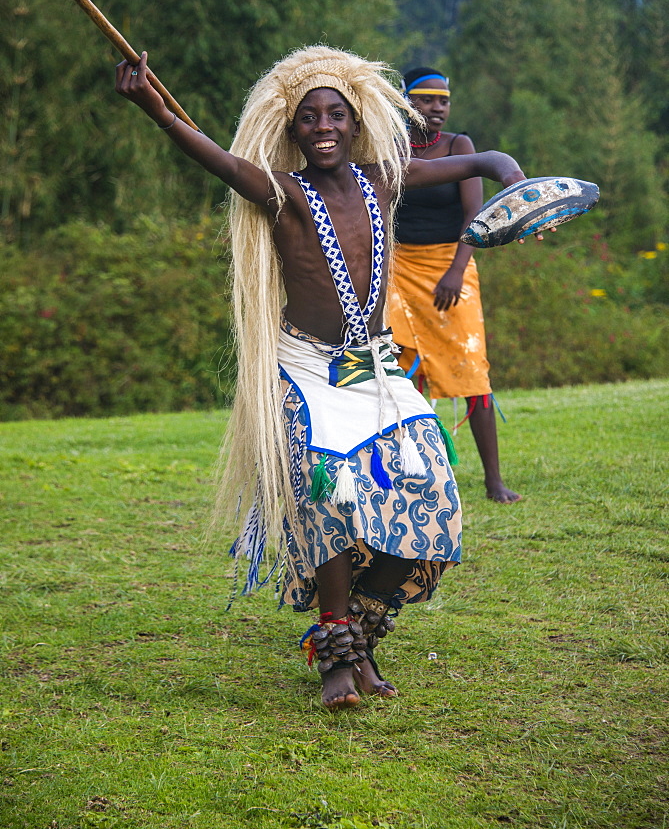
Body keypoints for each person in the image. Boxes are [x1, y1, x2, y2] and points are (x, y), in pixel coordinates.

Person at [115, 46, 526, 710]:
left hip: (376, 364)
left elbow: (472, 162)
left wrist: (502, 167)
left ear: (356, 121)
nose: (325, 125)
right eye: (310, 118)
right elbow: (217, 160)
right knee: (332, 494)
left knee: (433, 491)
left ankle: (360, 628)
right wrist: (154, 107)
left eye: (337, 113)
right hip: (308, 366)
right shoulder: (282, 191)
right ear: (293, 131)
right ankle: (334, 651)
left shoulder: (383, 178)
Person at [388, 67, 522, 504]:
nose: (437, 108)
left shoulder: (458, 146)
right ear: (406, 102)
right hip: (398, 267)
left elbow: (475, 215)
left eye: (443, 100)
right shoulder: (387, 145)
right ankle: (407, 471)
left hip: (452, 262)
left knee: (470, 367)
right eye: (426, 99)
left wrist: (455, 271)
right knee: (402, 368)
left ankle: (493, 480)